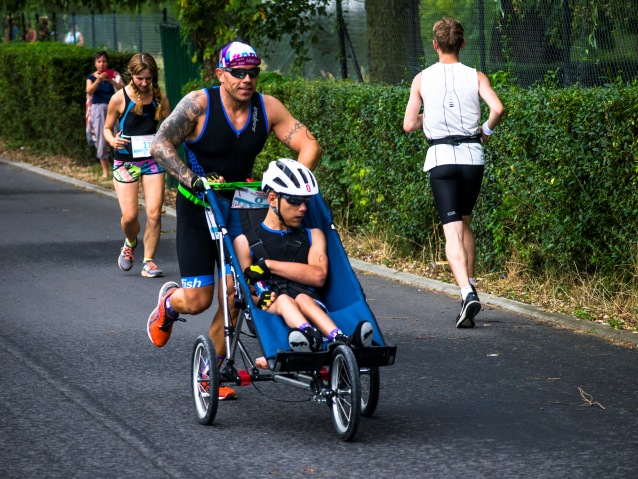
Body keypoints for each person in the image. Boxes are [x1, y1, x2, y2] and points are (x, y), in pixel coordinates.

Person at [145, 41, 322, 400]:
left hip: (241, 209)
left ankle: (215, 370)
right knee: (198, 300)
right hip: (198, 206)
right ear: (221, 74)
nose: (246, 79)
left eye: (253, 73)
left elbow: (310, 146)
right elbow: (160, 144)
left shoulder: (266, 107)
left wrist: (290, 189)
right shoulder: (199, 104)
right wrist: (191, 178)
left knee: (237, 291)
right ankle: (168, 303)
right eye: (238, 73)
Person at [403, 17, 504, 328]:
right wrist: (485, 131)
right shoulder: (476, 76)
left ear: (435, 45)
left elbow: (408, 124)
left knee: (451, 230)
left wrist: (429, 116)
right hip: (473, 157)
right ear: (462, 43)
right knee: (466, 222)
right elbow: (498, 109)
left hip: (441, 158)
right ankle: (470, 283)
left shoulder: (421, 79)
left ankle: (465, 291)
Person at [234, 159, 373, 361]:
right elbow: (249, 288)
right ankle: (309, 335)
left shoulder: (314, 234)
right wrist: (258, 298)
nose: (303, 209)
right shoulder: (244, 242)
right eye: (294, 201)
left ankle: (341, 338)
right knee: (283, 299)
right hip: (271, 303)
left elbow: (318, 276)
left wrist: (269, 265)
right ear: (272, 199)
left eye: (305, 202)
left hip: (309, 299)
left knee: (303, 299)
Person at [103, 53, 171, 279]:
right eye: (140, 78)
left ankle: (149, 262)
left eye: (148, 79)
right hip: (126, 162)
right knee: (130, 217)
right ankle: (130, 242)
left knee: (154, 213)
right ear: (131, 75)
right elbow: (107, 128)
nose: (144, 83)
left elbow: (171, 127)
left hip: (152, 161)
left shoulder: (160, 98)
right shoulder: (119, 98)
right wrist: (113, 140)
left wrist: (165, 142)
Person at [86, 51, 124, 178]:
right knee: (101, 138)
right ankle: (105, 171)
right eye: (99, 61)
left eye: (104, 61)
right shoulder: (91, 77)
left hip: (114, 109)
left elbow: (123, 89)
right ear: (95, 63)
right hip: (99, 109)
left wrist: (112, 81)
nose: (102, 64)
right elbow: (89, 91)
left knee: (119, 136)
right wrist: (99, 80)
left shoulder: (114, 74)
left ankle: (119, 169)